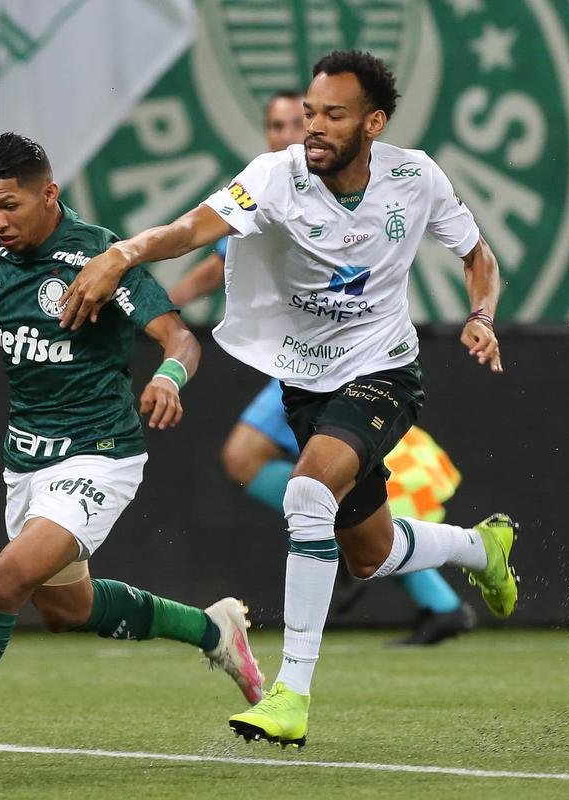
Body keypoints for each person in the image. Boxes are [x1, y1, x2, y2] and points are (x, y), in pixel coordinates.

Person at [58, 50, 518, 747]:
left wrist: (479, 317)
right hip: (305, 383)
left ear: (373, 122)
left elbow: (477, 256)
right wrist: (122, 253)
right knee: (366, 552)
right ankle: (479, 548)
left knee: (305, 494)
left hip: (384, 373)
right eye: (309, 113)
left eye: (333, 115)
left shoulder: (414, 176)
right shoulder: (275, 178)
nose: (315, 127)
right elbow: (188, 232)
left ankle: (289, 694)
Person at [0, 133, 263, 774]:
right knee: (68, 611)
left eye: (10, 205)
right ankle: (214, 630)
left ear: (49, 194)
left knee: (3, 583)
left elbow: (179, 337)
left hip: (99, 454)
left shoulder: (98, 256)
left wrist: (169, 375)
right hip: (26, 462)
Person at [171, 90, 476, 646]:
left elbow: (467, 250)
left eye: (305, 120)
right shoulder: (270, 190)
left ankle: (349, 563)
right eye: (281, 123)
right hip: (298, 358)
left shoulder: (372, 185)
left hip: (356, 360)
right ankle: (440, 591)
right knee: (341, 510)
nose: (292, 133)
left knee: (268, 466)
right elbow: (210, 262)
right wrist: (155, 306)